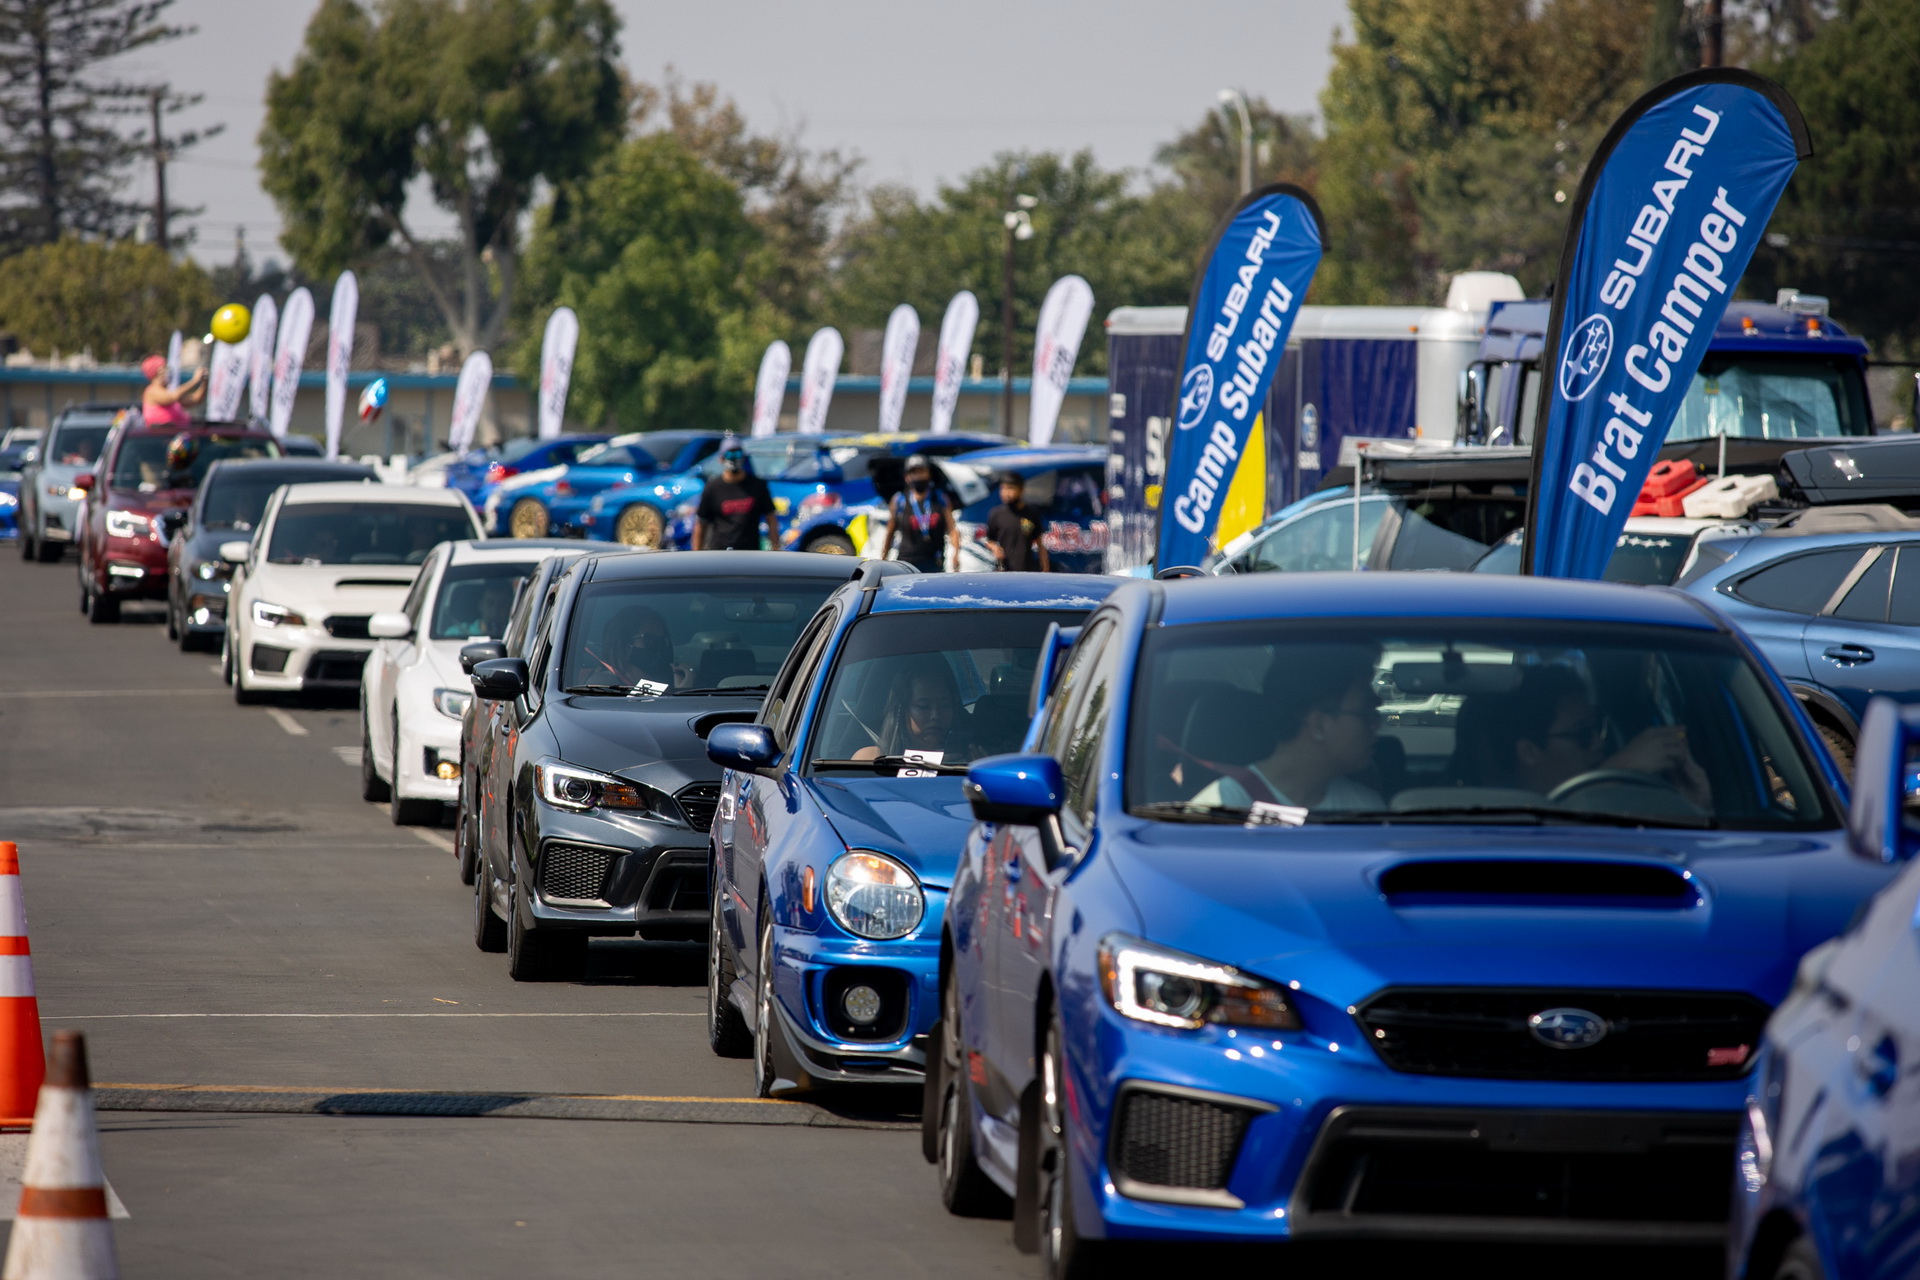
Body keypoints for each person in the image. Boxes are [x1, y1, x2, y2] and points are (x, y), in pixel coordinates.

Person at [1463, 665, 1711, 807]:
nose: (1598, 743)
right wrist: (1619, 769)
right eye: (1582, 734)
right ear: (1529, 751)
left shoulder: (1630, 812)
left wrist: (1692, 810)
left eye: (1599, 728)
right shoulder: (1489, 819)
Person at [1188, 647, 1385, 812]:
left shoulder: (1366, 807)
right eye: (1366, 713)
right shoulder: (1219, 808)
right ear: (1319, 725)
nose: (1376, 725)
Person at [852, 659, 975, 761]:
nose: (936, 715)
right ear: (902, 710)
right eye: (924, 706)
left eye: (944, 705)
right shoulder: (871, 760)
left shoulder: (971, 762)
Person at [694, 440, 778, 551]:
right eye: (730, 454)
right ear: (721, 459)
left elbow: (771, 518)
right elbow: (701, 524)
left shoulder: (757, 485)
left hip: (750, 554)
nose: (734, 458)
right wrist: (696, 553)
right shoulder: (713, 487)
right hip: (719, 553)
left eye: (738, 454)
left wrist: (776, 547)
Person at [579, 604, 688, 689]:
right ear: (625, 644)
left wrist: (684, 690)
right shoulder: (603, 684)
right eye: (649, 639)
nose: (657, 646)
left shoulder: (671, 679)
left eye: (662, 640)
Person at [882, 455, 958, 573]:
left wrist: (956, 554)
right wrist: (883, 558)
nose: (918, 476)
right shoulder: (899, 500)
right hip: (906, 562)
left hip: (933, 562)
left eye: (922, 472)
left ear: (929, 474)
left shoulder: (939, 498)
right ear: (907, 477)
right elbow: (890, 531)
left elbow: (952, 529)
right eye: (914, 473)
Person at [985, 471, 1049, 572]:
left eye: (1010, 488)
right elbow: (989, 540)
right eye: (1003, 488)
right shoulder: (996, 514)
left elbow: (1040, 544)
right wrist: (994, 548)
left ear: (1021, 490)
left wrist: (1045, 568)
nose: (1005, 493)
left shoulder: (1031, 513)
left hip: (1025, 571)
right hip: (1003, 571)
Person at [140, 354, 204, 428]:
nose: (167, 372)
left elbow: (196, 399)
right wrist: (194, 380)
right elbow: (172, 397)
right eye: (164, 369)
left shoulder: (168, 392)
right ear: (158, 372)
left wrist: (204, 382)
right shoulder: (152, 391)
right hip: (162, 437)